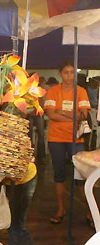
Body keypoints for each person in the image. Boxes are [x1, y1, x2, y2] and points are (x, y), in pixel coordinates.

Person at [44, 60, 91, 225]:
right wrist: (73, 114)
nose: (69, 76)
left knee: (82, 176)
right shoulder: (53, 91)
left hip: (76, 139)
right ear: (60, 73)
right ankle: (60, 208)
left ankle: (90, 211)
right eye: (66, 72)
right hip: (56, 138)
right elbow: (51, 114)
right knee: (59, 174)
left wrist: (62, 112)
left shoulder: (81, 92)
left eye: (72, 72)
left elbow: (83, 115)